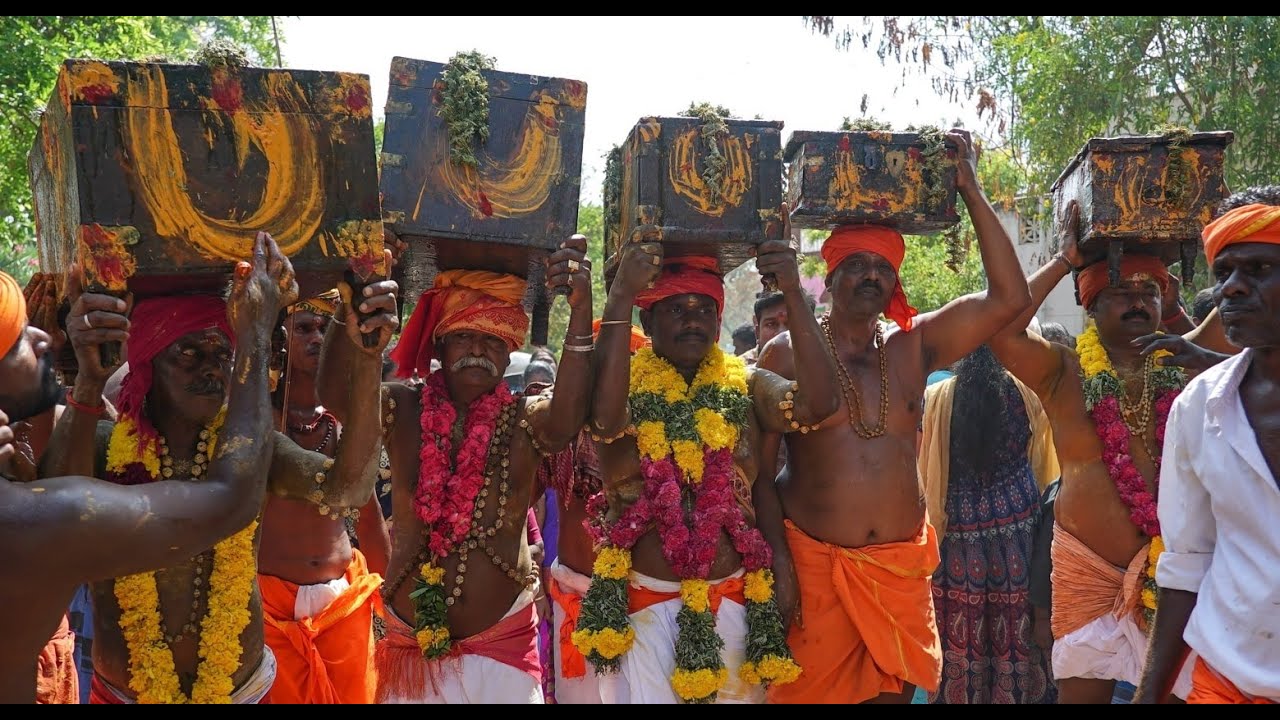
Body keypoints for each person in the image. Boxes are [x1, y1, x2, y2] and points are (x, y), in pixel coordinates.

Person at [41, 232, 392, 704]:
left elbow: (347, 489)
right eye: (189, 355)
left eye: (222, 355)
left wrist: (368, 360)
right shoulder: (106, 446)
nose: (211, 370)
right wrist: (89, 380)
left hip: (241, 690)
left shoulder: (250, 451)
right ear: (146, 366)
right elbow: (55, 520)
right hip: (126, 692)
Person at [759, 130, 1031, 704]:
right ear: (829, 277)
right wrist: (779, 563)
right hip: (816, 571)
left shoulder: (914, 346)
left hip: (899, 574)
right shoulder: (784, 353)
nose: (870, 277)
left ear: (896, 281)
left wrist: (970, 191)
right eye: (855, 265)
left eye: (882, 267)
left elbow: (1009, 299)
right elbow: (758, 475)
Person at [0, 239, 285, 704]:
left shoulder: (21, 502)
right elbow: (233, 498)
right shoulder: (25, 516)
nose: (44, 337)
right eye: (16, 338)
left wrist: (90, 381)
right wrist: (255, 334)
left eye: (221, 355)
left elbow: (344, 486)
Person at [580, 205, 840, 704]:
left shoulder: (746, 386)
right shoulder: (621, 388)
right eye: (677, 309)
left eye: (705, 310)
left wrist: (792, 289)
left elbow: (819, 404)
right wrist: (619, 292)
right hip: (640, 610)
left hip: (738, 604)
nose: (694, 321)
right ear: (647, 317)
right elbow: (607, 421)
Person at [322, 236, 593, 704]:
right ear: (440, 345)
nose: (478, 350)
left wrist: (582, 309)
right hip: (413, 652)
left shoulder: (526, 420)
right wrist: (352, 316)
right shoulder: (403, 406)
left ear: (509, 355)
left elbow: (568, 419)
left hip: (503, 650)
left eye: (493, 340)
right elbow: (339, 399)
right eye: (465, 336)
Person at [988, 202, 1194, 703]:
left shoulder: (1187, 362)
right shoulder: (1063, 371)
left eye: (1149, 292)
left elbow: (1239, 342)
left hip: (1170, 569)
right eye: (1122, 292)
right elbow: (1001, 332)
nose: (1137, 302)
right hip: (1087, 571)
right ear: (1091, 304)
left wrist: (1171, 299)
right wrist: (1064, 261)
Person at [1134, 188, 1280, 704]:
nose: (1232, 290)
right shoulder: (1197, 408)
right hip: (1224, 681)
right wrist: (1147, 696)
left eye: (1259, 269)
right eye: (1224, 275)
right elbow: (1187, 562)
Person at [257, 289, 391, 704]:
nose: (316, 339)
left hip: (343, 605)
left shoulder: (341, 426)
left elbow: (367, 517)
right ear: (280, 339)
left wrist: (393, 604)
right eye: (304, 329)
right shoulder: (253, 420)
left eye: (323, 330)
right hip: (268, 608)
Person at [917, 345, 1059, 703]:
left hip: (957, 532)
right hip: (1018, 529)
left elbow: (924, 466)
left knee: (959, 632)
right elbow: (1042, 460)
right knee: (1019, 626)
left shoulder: (936, 398)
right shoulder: (1025, 391)